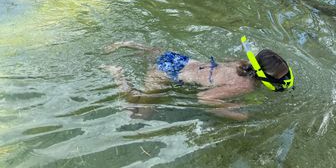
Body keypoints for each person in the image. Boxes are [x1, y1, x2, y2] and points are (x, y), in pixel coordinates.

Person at [102, 36, 294, 120]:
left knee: (156, 53)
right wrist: (237, 113)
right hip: (166, 73)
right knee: (140, 114)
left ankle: (128, 44)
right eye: (281, 76)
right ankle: (117, 74)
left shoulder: (243, 64)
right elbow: (203, 98)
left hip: (179, 59)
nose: (285, 79)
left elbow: (222, 66)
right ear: (264, 77)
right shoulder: (246, 86)